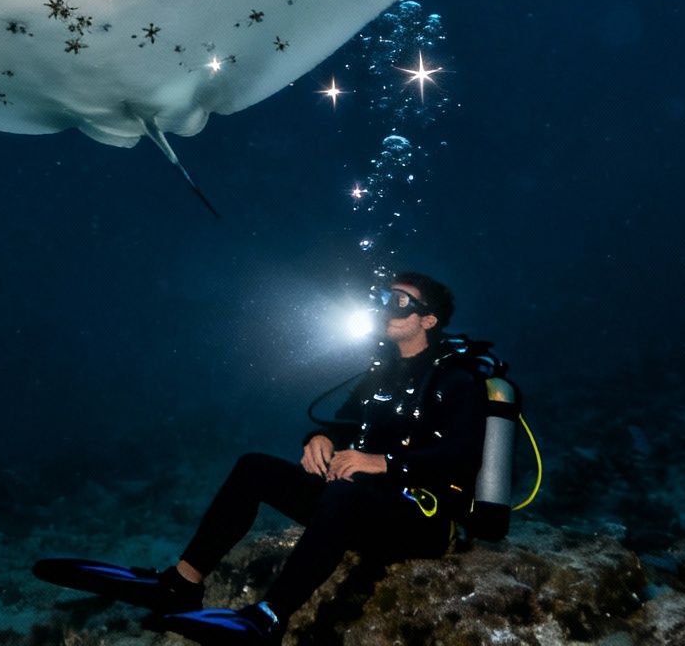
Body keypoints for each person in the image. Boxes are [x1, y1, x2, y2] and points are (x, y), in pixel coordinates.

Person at [34, 271, 488, 645]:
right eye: (383, 297)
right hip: (358, 508)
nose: (386, 307)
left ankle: (269, 617)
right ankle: (181, 584)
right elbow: (341, 425)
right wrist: (318, 440)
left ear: (428, 320)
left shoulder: (455, 378)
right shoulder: (380, 373)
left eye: (399, 301)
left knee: (344, 495)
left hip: (420, 520)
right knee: (255, 467)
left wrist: (383, 463)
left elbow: (461, 456)